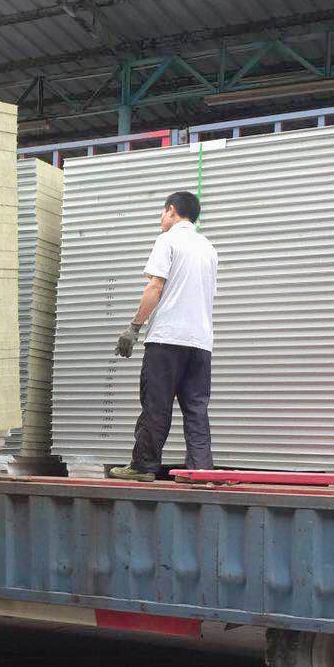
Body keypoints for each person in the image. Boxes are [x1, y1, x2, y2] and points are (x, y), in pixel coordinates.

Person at [108, 190, 218, 481]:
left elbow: (155, 287)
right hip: (200, 343)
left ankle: (143, 467)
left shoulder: (167, 240)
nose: (161, 218)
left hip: (167, 339)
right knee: (196, 408)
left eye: (162, 212)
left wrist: (134, 327)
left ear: (171, 210)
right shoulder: (209, 248)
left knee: (156, 405)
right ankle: (200, 470)